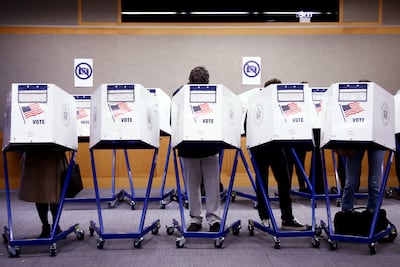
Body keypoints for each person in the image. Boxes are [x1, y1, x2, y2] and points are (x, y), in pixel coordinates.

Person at [249, 78, 307, 230]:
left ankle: (287, 218)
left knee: (284, 182)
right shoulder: (256, 104)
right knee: (262, 184)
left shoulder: (282, 105)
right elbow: (248, 126)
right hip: (260, 148)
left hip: (278, 148)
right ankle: (265, 217)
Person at [172, 66, 221, 232]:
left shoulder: (214, 93)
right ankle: (200, 218)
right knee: (197, 186)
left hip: (207, 146)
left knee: (208, 185)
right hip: (193, 147)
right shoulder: (180, 94)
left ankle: (206, 219)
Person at [341, 80, 385, 213]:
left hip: (376, 140)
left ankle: (373, 213)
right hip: (356, 140)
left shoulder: (378, 105)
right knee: (350, 182)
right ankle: (346, 212)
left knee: (374, 183)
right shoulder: (353, 106)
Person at [19, 148, 66, 238]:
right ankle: (51, 226)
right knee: (44, 193)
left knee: (46, 194)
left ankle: (50, 226)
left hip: (47, 155)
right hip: (42, 154)